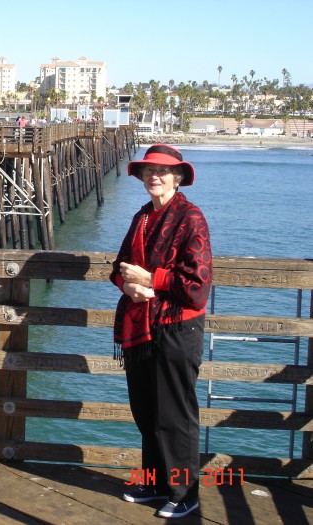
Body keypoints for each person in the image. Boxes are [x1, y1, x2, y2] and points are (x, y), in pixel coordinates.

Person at [110, 144, 212, 519]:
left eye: (164, 171)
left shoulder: (191, 218)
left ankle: (185, 494)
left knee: (175, 415)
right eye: (149, 170)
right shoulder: (141, 217)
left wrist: (153, 279)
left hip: (176, 328)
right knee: (146, 410)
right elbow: (119, 267)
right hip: (141, 328)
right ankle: (154, 484)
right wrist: (130, 288)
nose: (155, 176)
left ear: (179, 177)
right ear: (141, 177)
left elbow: (198, 286)